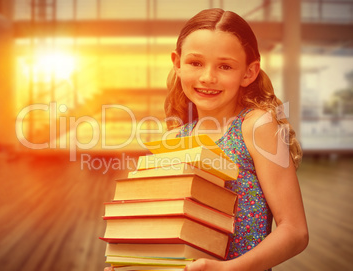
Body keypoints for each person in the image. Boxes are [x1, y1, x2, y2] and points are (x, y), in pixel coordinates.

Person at [104, 8, 308, 271]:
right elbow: (164, 226)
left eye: (225, 66)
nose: (207, 77)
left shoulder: (257, 126)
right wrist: (134, 263)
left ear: (249, 72)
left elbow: (295, 231)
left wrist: (227, 270)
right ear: (177, 64)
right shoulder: (175, 137)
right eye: (196, 63)